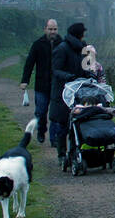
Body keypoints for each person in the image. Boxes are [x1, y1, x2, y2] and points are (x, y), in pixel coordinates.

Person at [50, 22, 92, 170]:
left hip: (79, 92)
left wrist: (90, 76)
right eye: (83, 34)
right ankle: (62, 155)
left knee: (78, 123)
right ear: (79, 35)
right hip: (63, 93)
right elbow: (56, 70)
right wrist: (70, 77)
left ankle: (75, 152)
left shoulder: (84, 49)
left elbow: (88, 67)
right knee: (63, 126)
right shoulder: (61, 49)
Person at [19, 19, 61, 144]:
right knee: (41, 112)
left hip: (57, 86)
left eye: (55, 29)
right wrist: (25, 80)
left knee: (56, 114)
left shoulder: (62, 44)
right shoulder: (38, 44)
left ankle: (54, 139)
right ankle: (41, 131)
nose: (52, 31)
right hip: (41, 85)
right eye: (50, 29)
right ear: (45, 29)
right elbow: (29, 63)